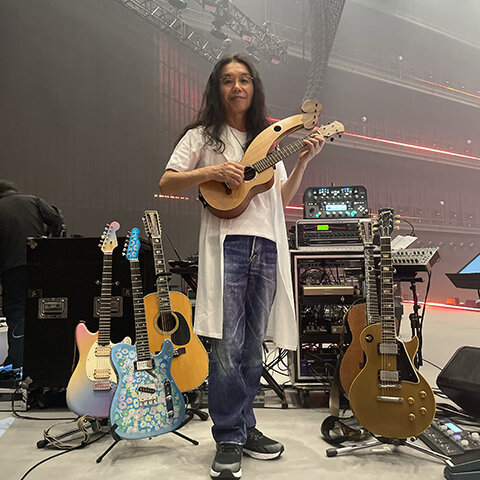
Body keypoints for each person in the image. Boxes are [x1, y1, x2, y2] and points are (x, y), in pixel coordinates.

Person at [159, 54, 324, 480]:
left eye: (245, 79)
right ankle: (228, 435)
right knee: (227, 346)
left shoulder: (268, 141)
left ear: (255, 87)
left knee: (252, 347)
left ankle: (246, 426)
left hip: (266, 244)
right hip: (227, 244)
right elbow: (167, 180)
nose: (237, 87)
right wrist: (213, 170)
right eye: (228, 80)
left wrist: (302, 162)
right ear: (217, 88)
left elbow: (278, 196)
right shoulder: (202, 136)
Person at [0, 180, 64, 369]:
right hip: (38, 266)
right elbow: (57, 219)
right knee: (43, 311)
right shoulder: (33, 201)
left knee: (17, 312)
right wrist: (49, 243)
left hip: (11, 269)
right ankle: (45, 359)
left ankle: (17, 361)